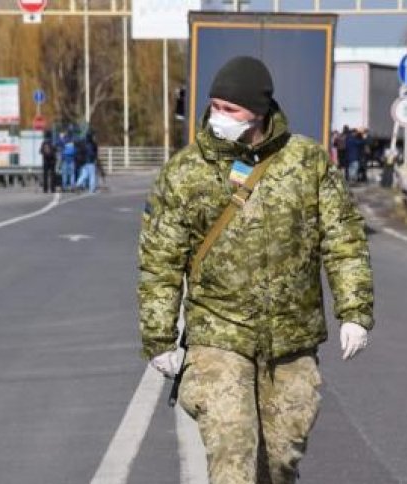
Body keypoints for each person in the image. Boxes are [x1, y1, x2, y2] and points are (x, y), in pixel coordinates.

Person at [138, 56, 374, 484]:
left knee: (281, 458)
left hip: (291, 337)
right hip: (217, 334)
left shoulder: (306, 162)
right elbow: (160, 258)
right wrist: (158, 338)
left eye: (231, 109)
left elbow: (343, 238)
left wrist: (354, 311)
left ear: (259, 113)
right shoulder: (187, 171)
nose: (218, 117)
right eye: (214, 106)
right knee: (232, 452)